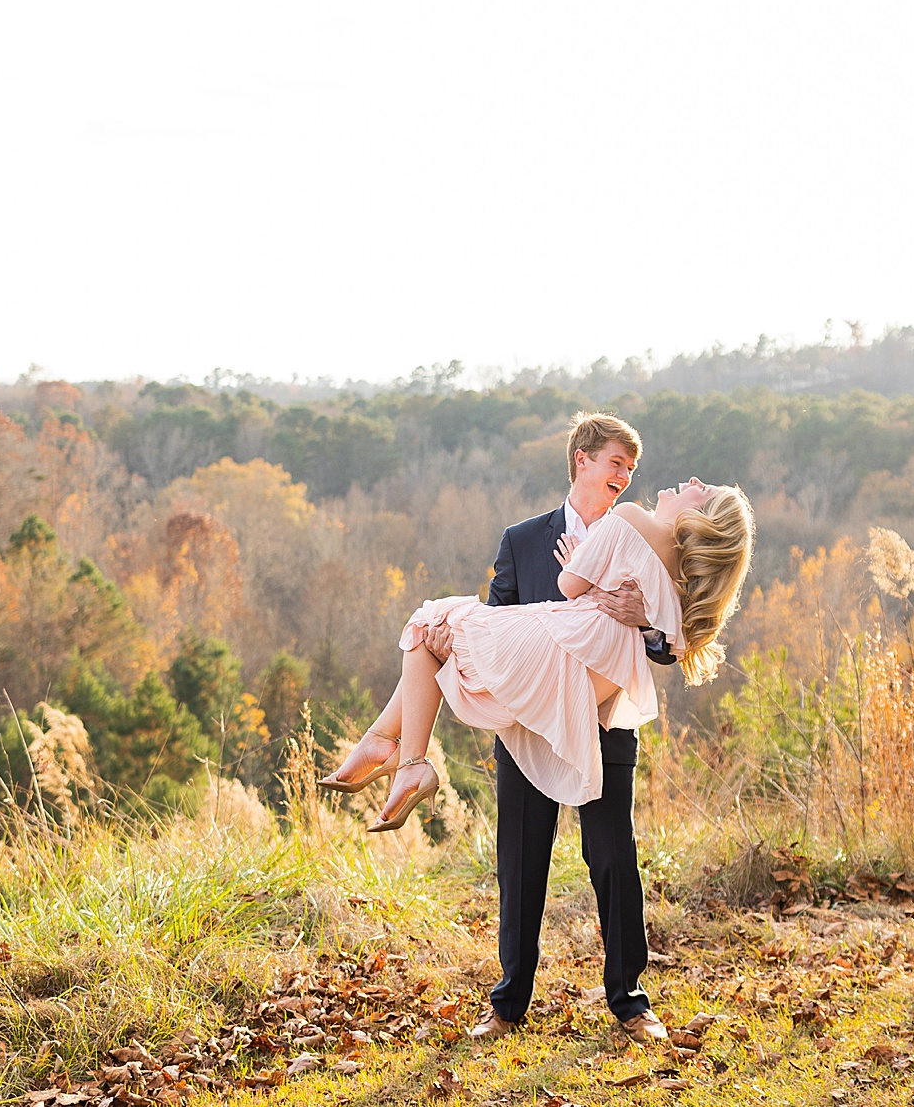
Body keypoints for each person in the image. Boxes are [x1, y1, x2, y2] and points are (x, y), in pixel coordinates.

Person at [319, 414, 754, 1045]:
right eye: (615, 465)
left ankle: (631, 1001)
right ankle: (509, 1004)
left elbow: (671, 646)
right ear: (581, 460)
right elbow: (504, 626)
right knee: (521, 863)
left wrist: (646, 620)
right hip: (529, 721)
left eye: (631, 470)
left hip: (603, 722)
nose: (626, 476)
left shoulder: (650, 536)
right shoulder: (523, 539)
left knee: (612, 859)